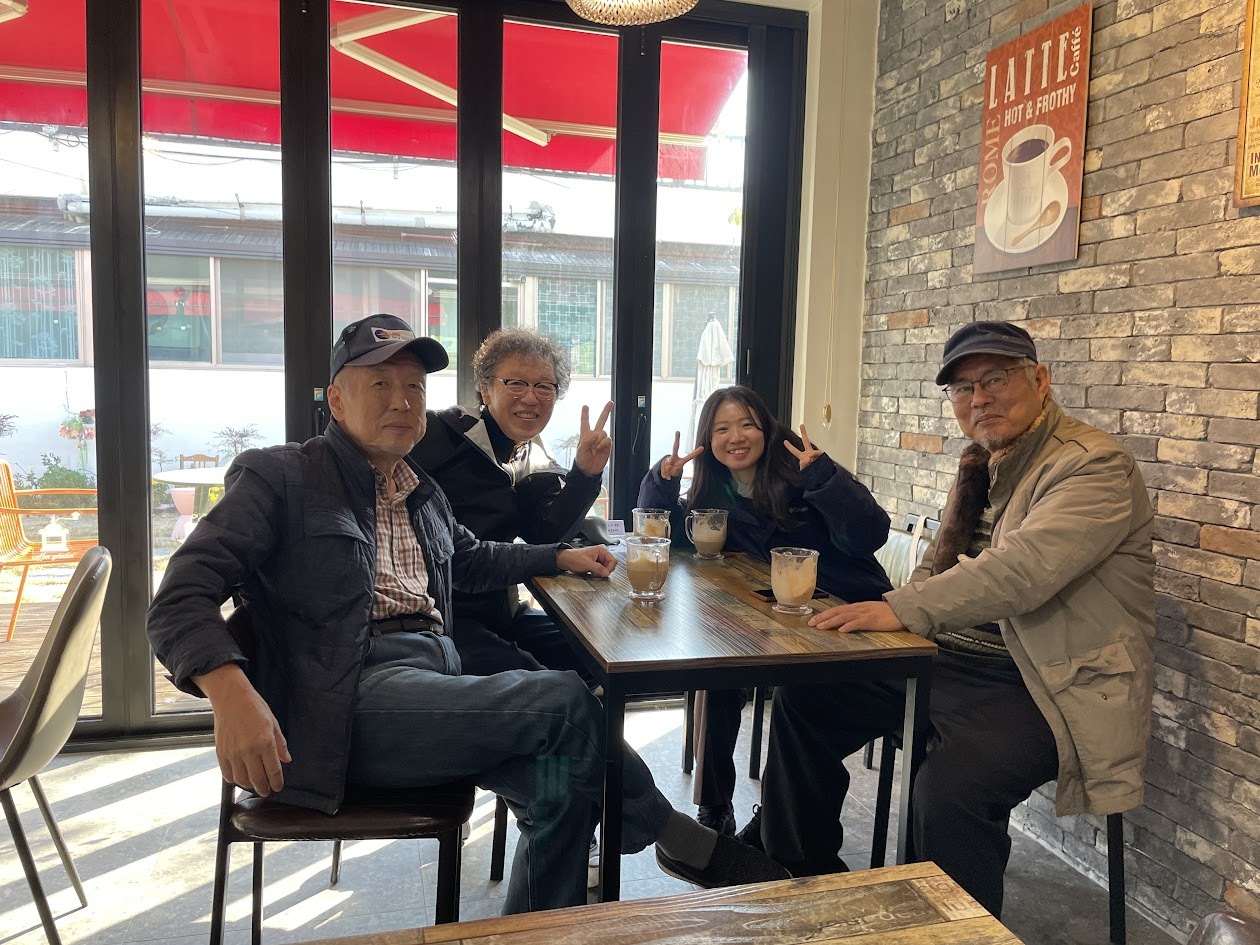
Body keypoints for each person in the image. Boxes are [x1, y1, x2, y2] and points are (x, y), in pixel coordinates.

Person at [147, 314, 788, 916]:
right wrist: (230, 691)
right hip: (342, 703)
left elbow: (472, 559)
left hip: (433, 674)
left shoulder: (417, 490)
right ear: (336, 401)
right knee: (566, 698)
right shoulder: (281, 476)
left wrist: (560, 556)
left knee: (563, 786)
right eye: (380, 385)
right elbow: (179, 597)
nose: (402, 401)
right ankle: (683, 840)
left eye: (414, 387)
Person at [742, 321, 1155, 918]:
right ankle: (802, 877)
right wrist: (898, 611)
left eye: (995, 379)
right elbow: (937, 569)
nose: (978, 398)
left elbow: (1023, 569)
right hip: (950, 659)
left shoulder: (1094, 466)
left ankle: (949, 929)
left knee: (949, 789)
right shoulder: (982, 465)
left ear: (1040, 380)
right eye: (962, 388)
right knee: (808, 697)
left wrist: (900, 608)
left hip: (1044, 681)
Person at [637, 385, 893, 836]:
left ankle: (778, 820)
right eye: (722, 429)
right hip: (772, 616)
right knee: (715, 672)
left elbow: (868, 536)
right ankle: (715, 804)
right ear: (708, 440)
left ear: (767, 429)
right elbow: (663, 535)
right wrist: (662, 482)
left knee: (800, 701)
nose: (736, 437)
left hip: (844, 612)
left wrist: (827, 479)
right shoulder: (713, 489)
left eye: (747, 425)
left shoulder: (803, 475)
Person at [410, 327, 610, 677]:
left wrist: (585, 474)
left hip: (501, 611)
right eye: (516, 383)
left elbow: (545, 534)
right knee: (549, 687)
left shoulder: (530, 457)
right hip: (442, 619)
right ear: (485, 389)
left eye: (544, 386)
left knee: (597, 653)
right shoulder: (437, 435)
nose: (531, 398)